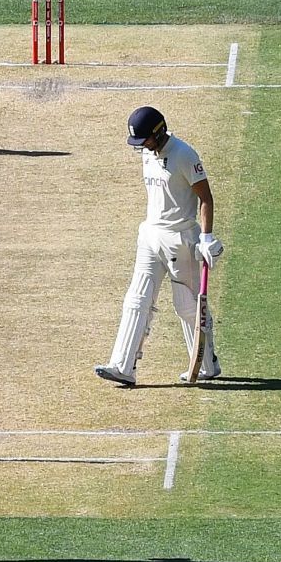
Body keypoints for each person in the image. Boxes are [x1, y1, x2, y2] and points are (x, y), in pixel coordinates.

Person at [95, 106, 225, 387]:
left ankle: (205, 363)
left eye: (145, 141)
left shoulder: (184, 155)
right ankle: (122, 366)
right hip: (150, 235)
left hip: (181, 238)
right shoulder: (147, 151)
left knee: (187, 306)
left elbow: (206, 198)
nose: (142, 147)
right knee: (136, 299)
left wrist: (206, 237)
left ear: (160, 131)